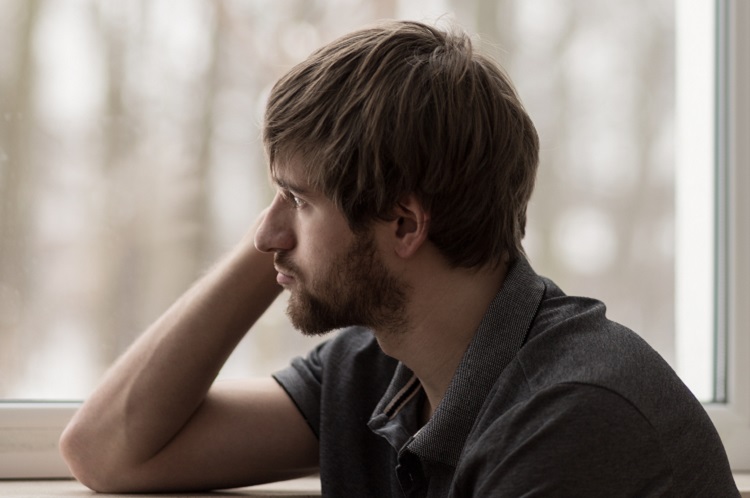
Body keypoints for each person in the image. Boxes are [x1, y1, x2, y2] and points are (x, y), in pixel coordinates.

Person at [60, 20, 739, 497]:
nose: (265, 233)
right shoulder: (378, 371)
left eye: (295, 200)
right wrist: (293, 228)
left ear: (406, 223)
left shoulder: (577, 417)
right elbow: (109, 451)